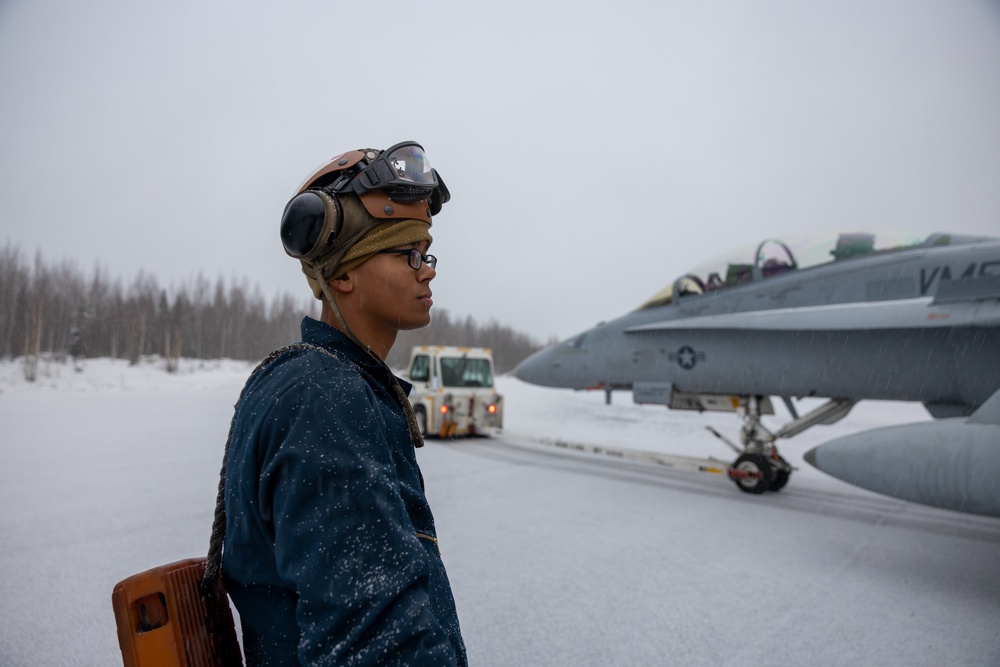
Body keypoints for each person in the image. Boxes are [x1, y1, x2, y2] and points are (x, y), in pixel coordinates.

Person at [206, 142, 467, 666]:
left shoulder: (326, 384)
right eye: (405, 253)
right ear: (343, 275)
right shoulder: (323, 398)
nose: (428, 270)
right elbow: (376, 646)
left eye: (427, 251)